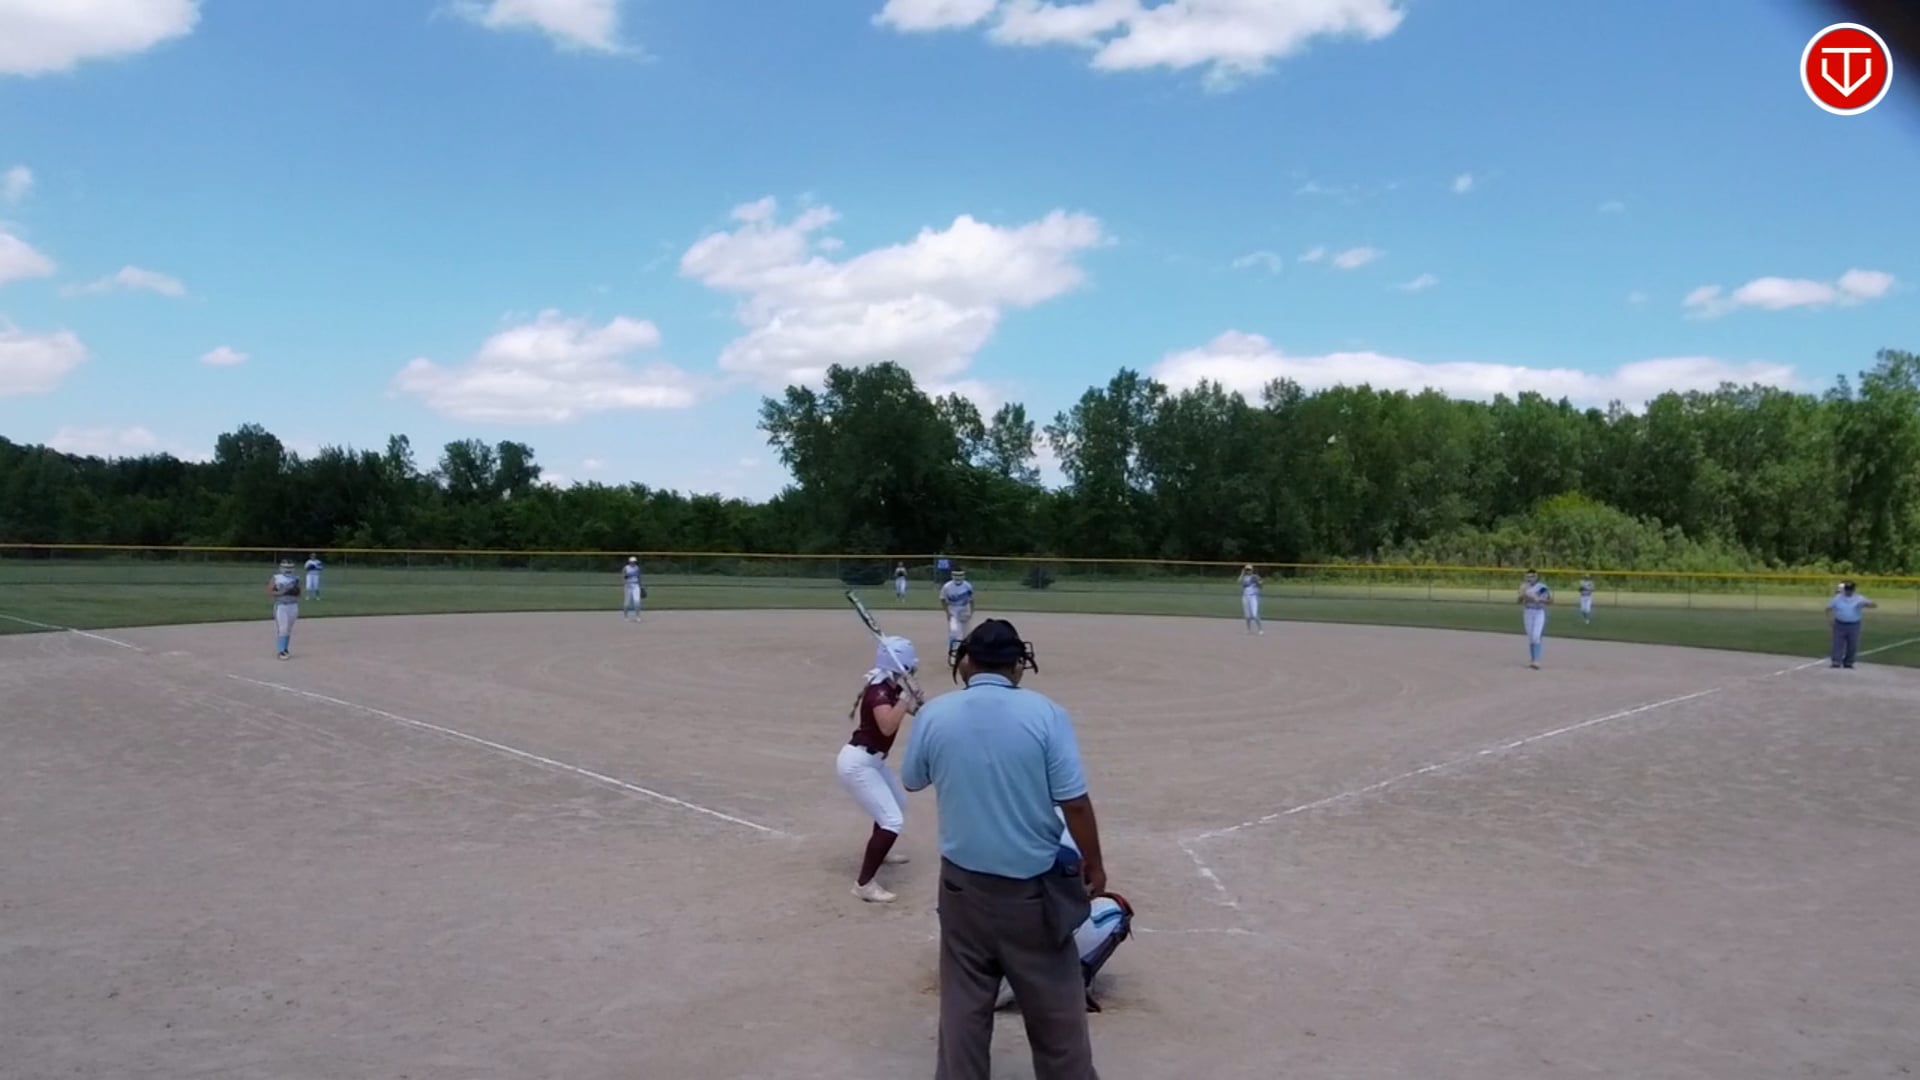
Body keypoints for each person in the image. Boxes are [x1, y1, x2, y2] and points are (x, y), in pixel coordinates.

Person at [901, 619, 1106, 1080]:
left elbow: (913, 779)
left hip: (962, 888)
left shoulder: (937, 714)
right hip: (1033, 891)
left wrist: (928, 722)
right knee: (1057, 1007)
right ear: (1018, 665)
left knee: (964, 1002)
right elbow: (1073, 802)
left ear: (966, 662)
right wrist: (1094, 864)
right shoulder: (1047, 713)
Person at [995, 811, 1134, 1013]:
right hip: (1024, 966)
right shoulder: (1068, 816)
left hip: (972, 974)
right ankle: (1067, 983)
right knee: (1117, 908)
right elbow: (1080, 895)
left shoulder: (989, 814)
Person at [836, 634, 924, 903]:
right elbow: (887, 725)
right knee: (892, 821)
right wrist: (905, 700)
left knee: (896, 805)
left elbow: (914, 711)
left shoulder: (889, 686)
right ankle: (864, 884)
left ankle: (881, 852)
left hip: (872, 762)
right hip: (858, 764)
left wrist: (914, 700)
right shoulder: (880, 691)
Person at [1827, 581, 1877, 669]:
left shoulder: (1859, 598)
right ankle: (1836, 661)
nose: (1848, 591)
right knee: (1838, 643)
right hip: (1840, 624)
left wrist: (1867, 604)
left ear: (1853, 590)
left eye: (1850, 590)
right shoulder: (1838, 598)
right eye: (1847, 589)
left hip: (1854, 624)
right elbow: (1828, 608)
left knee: (1853, 644)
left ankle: (1849, 662)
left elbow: (1874, 605)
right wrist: (1830, 620)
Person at [266, 559, 302, 660]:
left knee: (288, 629)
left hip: (293, 606)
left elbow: (299, 594)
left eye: (290, 567)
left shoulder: (296, 579)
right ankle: (281, 651)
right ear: (281, 568)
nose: (288, 569)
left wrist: (295, 591)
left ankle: (285, 649)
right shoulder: (276, 578)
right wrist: (282, 592)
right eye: (286, 567)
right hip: (281, 606)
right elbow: (269, 592)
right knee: (283, 629)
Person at [1517, 569, 1553, 669]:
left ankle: (1536, 661)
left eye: (1532, 576)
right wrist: (1523, 595)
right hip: (1528, 612)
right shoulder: (1524, 586)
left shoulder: (1542, 587)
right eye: (1528, 576)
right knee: (1531, 636)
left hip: (1539, 612)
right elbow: (1519, 600)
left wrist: (1539, 599)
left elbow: (1550, 600)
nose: (1530, 578)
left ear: (1536, 577)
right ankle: (1533, 660)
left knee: (1536, 636)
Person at [938, 568, 976, 656]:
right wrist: (947, 612)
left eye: (960, 575)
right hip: (952, 609)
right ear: (952, 575)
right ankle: (953, 651)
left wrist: (971, 612)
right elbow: (942, 599)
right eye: (956, 575)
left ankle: (966, 652)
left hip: (964, 609)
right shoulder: (947, 586)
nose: (958, 577)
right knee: (954, 631)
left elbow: (972, 600)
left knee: (966, 632)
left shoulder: (967, 586)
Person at [1238, 564, 1263, 635]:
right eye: (1247, 570)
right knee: (1247, 615)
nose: (1248, 571)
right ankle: (1248, 630)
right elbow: (1238, 581)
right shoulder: (1244, 577)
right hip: (1245, 597)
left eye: (1249, 569)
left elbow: (1261, 586)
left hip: (1253, 597)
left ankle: (1260, 629)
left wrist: (1258, 583)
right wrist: (1242, 573)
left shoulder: (1255, 577)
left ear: (1252, 570)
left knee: (1254, 614)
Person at [622, 556, 645, 622]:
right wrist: (626, 577)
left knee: (637, 602)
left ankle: (637, 617)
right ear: (629, 562)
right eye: (632, 561)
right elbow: (623, 577)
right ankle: (626, 616)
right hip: (628, 586)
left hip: (636, 585)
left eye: (634, 561)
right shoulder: (626, 568)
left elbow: (639, 577)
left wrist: (641, 586)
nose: (633, 563)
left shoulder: (637, 568)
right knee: (627, 603)